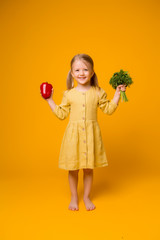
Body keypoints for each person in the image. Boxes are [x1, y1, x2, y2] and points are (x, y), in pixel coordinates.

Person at [40, 53, 126, 211]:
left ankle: (86, 196)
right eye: (77, 70)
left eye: (85, 69)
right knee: (73, 169)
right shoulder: (69, 94)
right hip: (74, 137)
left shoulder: (98, 92)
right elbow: (61, 114)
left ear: (92, 72)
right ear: (72, 73)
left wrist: (117, 94)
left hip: (91, 136)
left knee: (88, 169)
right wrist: (49, 100)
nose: (81, 73)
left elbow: (109, 109)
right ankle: (74, 196)